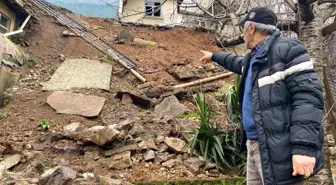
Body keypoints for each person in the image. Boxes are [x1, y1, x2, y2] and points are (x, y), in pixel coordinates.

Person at [200, 6, 324, 185]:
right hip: (255, 144)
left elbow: (308, 100)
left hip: (278, 148)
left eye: (243, 29)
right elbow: (236, 62)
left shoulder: (288, 50)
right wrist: (213, 56)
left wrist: (303, 148)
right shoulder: (254, 58)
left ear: (251, 28)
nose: (242, 35)